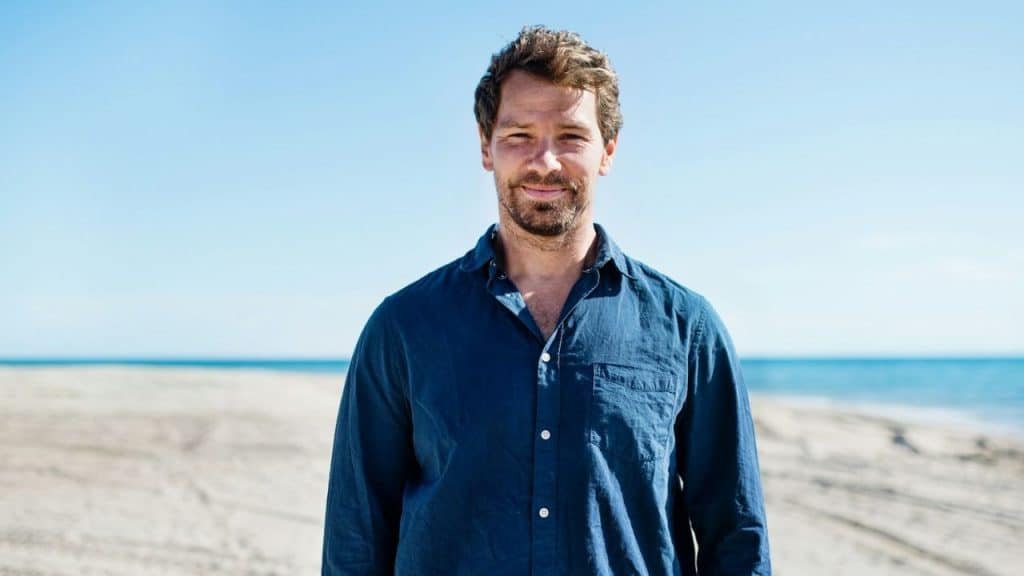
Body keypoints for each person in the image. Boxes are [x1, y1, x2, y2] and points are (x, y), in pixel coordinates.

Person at [322, 25, 771, 575]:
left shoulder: (686, 328)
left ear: (608, 151)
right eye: (519, 135)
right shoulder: (403, 328)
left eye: (571, 137)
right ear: (486, 147)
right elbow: (355, 537)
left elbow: (737, 537)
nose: (546, 162)